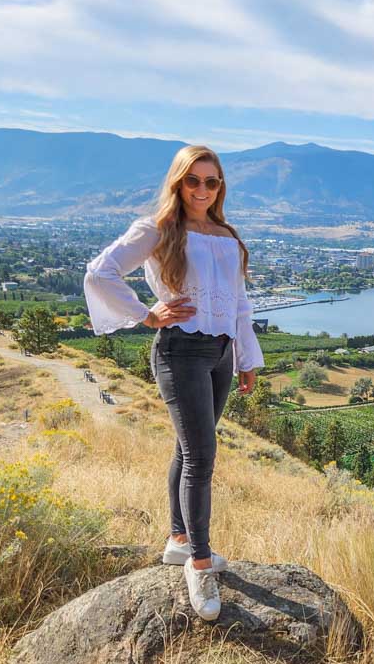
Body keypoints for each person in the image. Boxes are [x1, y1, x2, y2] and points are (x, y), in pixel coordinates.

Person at [83, 144, 263, 620]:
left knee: (187, 451)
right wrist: (146, 315)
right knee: (202, 455)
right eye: (193, 180)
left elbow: (239, 303)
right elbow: (100, 272)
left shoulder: (225, 233)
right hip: (180, 349)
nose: (202, 189)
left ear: (220, 187)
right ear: (178, 182)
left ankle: (180, 540)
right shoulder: (160, 229)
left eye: (212, 181)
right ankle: (200, 565)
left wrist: (246, 358)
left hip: (221, 353)